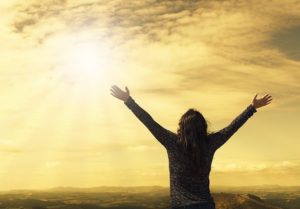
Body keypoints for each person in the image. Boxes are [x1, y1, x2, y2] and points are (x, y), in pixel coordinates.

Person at [110, 85, 272, 209]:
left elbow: (149, 122)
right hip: (206, 205)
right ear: (203, 127)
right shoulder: (210, 143)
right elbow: (231, 128)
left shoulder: (172, 142)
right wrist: (252, 108)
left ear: (182, 126)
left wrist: (129, 101)